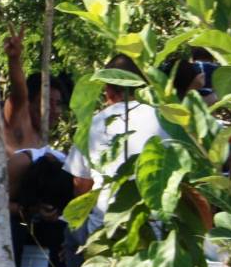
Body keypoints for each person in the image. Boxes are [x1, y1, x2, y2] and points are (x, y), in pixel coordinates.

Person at [64, 53, 166, 238]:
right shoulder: (165, 119)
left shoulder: (93, 123)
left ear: (108, 89)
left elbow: (81, 186)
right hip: (156, 230)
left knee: (70, 234)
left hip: (104, 230)